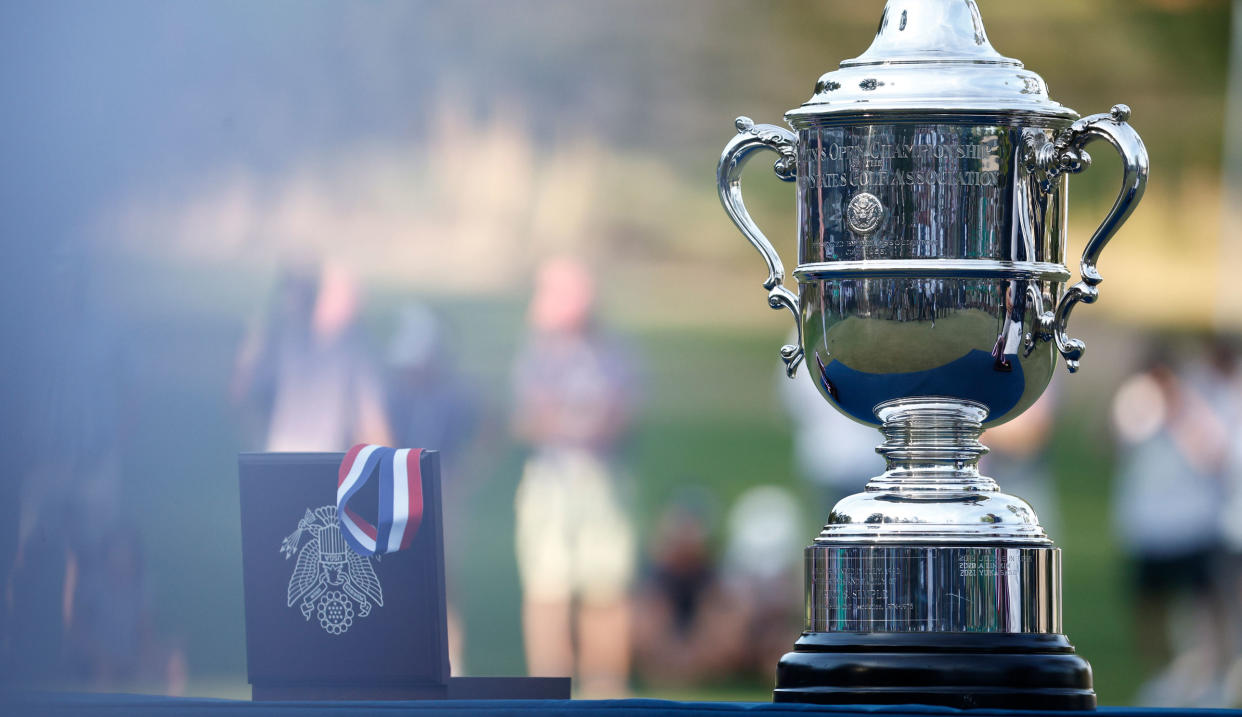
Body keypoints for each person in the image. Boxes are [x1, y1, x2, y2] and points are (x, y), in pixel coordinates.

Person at [511, 257, 637, 696]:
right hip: (551, 480)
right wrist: (577, 424)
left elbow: (619, 416)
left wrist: (569, 423)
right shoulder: (538, 353)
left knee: (605, 589)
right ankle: (550, 689)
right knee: (547, 590)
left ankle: (604, 689)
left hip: (601, 479)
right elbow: (528, 418)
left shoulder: (612, 353)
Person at [1112, 349, 1230, 706]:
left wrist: (1180, 415)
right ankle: (1163, 680)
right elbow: (1109, 442)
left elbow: (1213, 455)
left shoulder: (1196, 404)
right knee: (1150, 610)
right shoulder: (1134, 401)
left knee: (1205, 611)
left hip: (1192, 526)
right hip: (1147, 528)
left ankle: (1213, 680)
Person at [232, 260, 392, 451]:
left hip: (307, 454)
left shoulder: (290, 338)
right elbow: (246, 391)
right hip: (299, 454)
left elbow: (371, 420)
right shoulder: (289, 340)